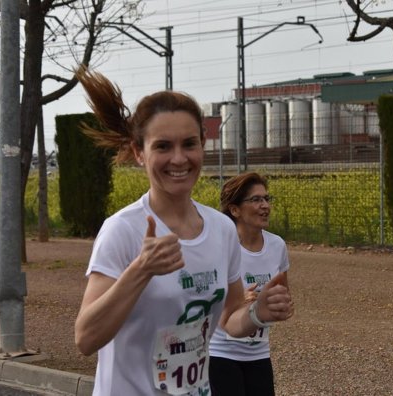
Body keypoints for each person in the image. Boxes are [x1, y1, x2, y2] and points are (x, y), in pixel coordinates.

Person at [73, 68, 293, 396]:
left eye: (189, 144)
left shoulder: (221, 230)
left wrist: (257, 313)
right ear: (139, 153)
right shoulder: (123, 230)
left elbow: (230, 319)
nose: (179, 158)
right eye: (163, 146)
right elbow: (86, 338)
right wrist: (141, 270)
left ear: (202, 145)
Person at [209, 172, 291, 396]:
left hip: (259, 354)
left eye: (266, 199)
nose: (265, 205)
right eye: (256, 200)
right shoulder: (221, 247)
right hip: (220, 353)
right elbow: (206, 301)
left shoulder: (277, 246)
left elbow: (283, 296)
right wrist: (238, 302)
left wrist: (278, 306)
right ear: (235, 210)